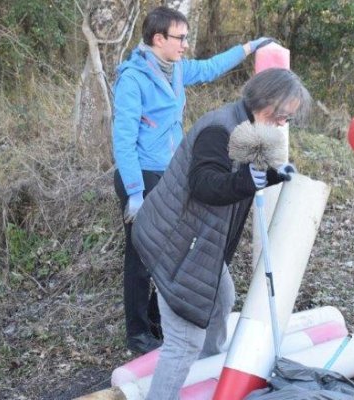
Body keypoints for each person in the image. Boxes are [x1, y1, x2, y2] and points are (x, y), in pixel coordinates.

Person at [131, 68, 311, 400]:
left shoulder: (248, 125)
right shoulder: (219, 129)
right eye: (283, 115)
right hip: (176, 243)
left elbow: (240, 176)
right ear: (266, 101)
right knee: (183, 342)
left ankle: (207, 369)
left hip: (197, 242)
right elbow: (205, 185)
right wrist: (250, 182)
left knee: (223, 298)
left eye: (289, 118)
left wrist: (272, 175)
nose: (285, 122)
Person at [112, 6, 273, 354]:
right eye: (180, 38)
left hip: (171, 173)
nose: (186, 44)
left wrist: (248, 48)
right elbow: (123, 141)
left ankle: (159, 318)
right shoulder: (133, 79)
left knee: (173, 251)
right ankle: (139, 333)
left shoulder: (177, 70)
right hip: (141, 175)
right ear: (159, 39)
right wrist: (136, 194)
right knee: (141, 256)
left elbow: (212, 67)